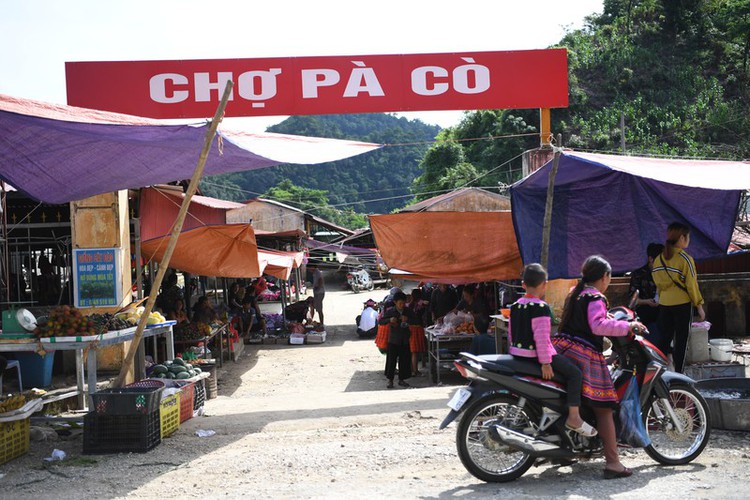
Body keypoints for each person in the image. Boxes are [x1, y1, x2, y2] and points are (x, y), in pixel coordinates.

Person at [552, 255, 645, 479]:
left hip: (563, 348)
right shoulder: (596, 297)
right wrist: (628, 325)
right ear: (605, 276)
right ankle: (613, 463)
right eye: (610, 276)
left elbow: (590, 319)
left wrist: (611, 317)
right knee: (604, 407)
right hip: (583, 355)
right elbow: (597, 325)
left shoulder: (575, 293)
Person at [509, 263, 596, 438]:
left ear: (523, 284)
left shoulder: (515, 305)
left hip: (518, 356)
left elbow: (512, 333)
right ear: (544, 284)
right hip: (537, 357)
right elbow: (541, 339)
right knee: (575, 374)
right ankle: (574, 416)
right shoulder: (541, 308)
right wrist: (546, 363)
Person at [652, 222, 705, 373]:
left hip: (664, 304)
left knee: (664, 340)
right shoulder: (685, 259)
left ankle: (660, 374)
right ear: (682, 238)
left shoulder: (659, 259)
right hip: (682, 305)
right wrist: (699, 306)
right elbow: (692, 285)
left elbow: (658, 283)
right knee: (681, 342)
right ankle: (679, 377)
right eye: (687, 237)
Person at [629, 243, 664, 342]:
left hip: (661, 308)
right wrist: (647, 301)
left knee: (668, 317)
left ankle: (668, 353)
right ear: (650, 259)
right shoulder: (639, 274)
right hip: (643, 309)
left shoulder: (665, 274)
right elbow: (632, 299)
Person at [379, 291, 413, 388]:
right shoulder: (390, 311)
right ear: (395, 302)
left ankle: (402, 380)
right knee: (391, 361)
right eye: (400, 303)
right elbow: (381, 321)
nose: (402, 305)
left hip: (405, 339)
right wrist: (389, 320)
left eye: (403, 303)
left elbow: (416, 321)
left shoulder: (408, 311)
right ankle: (390, 380)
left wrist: (408, 320)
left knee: (404, 360)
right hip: (393, 340)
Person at [407, 289, 428, 376]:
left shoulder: (409, 305)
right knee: (415, 351)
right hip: (417, 328)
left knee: (412, 351)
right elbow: (427, 305)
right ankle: (415, 370)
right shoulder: (420, 304)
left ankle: (411, 369)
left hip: (409, 328)